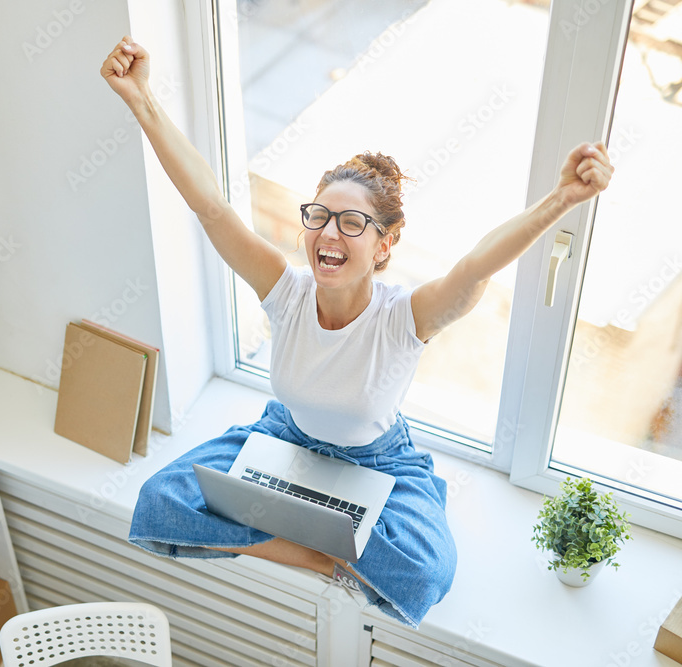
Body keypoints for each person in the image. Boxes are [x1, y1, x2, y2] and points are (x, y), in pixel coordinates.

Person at [100, 36, 613, 627]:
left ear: (384, 244)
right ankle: (324, 557)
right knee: (161, 499)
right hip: (285, 439)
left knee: (426, 573)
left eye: (352, 223)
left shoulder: (404, 317)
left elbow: (476, 266)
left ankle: (317, 546)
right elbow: (211, 205)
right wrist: (141, 99)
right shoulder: (286, 291)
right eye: (318, 217)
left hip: (378, 461)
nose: (328, 234)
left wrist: (561, 200)